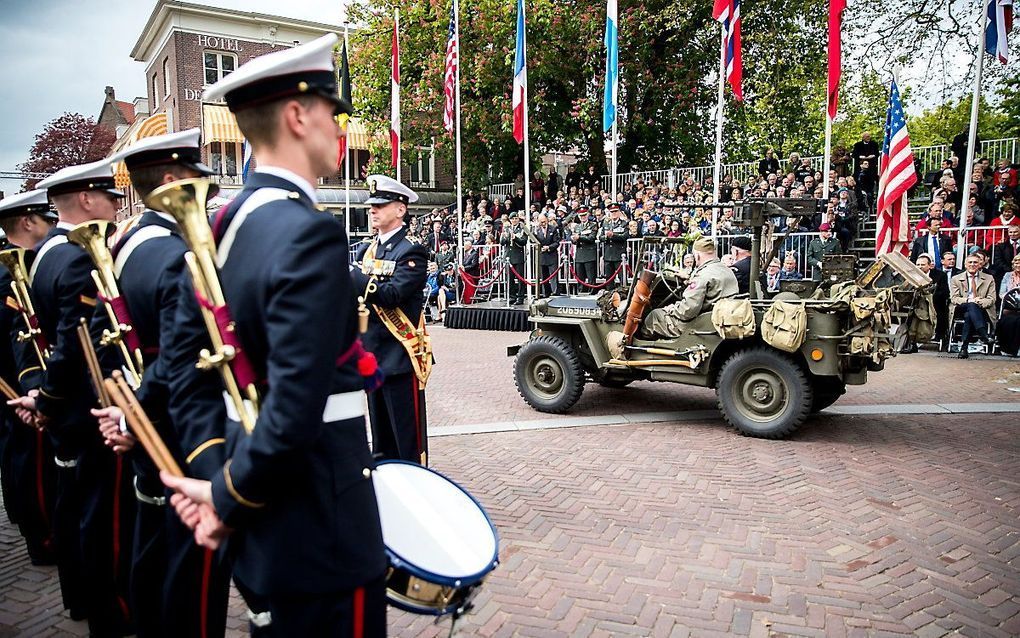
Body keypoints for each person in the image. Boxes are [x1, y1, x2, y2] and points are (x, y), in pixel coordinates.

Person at [159, 34, 388, 635]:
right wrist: (229, 500)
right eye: (333, 115)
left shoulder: (215, 229)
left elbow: (186, 378)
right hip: (322, 525)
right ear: (297, 115)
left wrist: (217, 480)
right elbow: (294, 406)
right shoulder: (309, 233)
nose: (340, 131)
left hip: (263, 522)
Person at [89, 129, 232, 638]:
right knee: (192, 572)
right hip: (181, 432)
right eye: (197, 182)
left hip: (144, 425)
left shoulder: (123, 244)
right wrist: (134, 415)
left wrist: (122, 413)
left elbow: (105, 339)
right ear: (172, 181)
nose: (205, 193)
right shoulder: (177, 255)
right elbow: (177, 361)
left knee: (149, 545)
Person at [10, 160, 133, 635]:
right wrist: (50, 398)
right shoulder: (80, 255)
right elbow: (71, 342)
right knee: (103, 516)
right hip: (85, 410)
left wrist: (45, 399)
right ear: (85, 199)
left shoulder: (46, 253)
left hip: (66, 412)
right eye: (108, 196)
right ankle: (113, 612)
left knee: (75, 504)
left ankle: (80, 598)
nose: (114, 205)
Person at [0, 190, 57, 567]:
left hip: (15, 377)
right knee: (31, 458)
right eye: (45, 220)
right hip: (18, 379)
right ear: (27, 222)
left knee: (19, 455)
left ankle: (30, 523)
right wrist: (31, 386)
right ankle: (42, 537)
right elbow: (20, 334)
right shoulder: (10, 274)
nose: (50, 227)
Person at [643, 237, 739, 338]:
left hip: (698, 324)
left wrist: (671, 309)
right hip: (719, 317)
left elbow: (688, 310)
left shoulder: (702, 275)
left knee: (654, 316)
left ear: (697, 255)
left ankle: (643, 348)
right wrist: (689, 278)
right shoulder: (726, 270)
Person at [949, 253, 997, 358]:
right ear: (965, 265)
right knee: (970, 306)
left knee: (969, 315)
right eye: (970, 262)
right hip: (961, 307)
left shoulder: (989, 278)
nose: (972, 264)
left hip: (982, 309)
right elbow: (954, 298)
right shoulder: (956, 279)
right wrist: (970, 300)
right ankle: (984, 335)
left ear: (980, 264)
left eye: (975, 262)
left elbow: (992, 299)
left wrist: (978, 302)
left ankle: (964, 348)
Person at [915, 254, 951, 350]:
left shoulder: (940, 275)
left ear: (930, 265)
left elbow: (945, 292)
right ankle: (911, 341)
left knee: (941, 310)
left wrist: (929, 297)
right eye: (917, 265)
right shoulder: (913, 275)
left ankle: (941, 338)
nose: (919, 267)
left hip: (935, 303)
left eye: (922, 265)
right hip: (917, 303)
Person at [501, 212, 528, 304]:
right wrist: (505, 237)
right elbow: (502, 242)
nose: (514, 220)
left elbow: (524, 241)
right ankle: (511, 296)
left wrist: (515, 238)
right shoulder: (507, 228)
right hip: (509, 256)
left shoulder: (522, 229)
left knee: (520, 278)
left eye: (516, 218)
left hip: (518, 255)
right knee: (510, 278)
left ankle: (520, 297)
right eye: (512, 219)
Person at [600, 203, 629, 285]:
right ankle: (610, 294)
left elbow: (625, 236)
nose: (614, 213)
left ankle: (624, 293)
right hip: (608, 254)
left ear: (619, 212)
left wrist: (613, 235)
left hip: (619, 254)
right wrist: (606, 237)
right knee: (609, 278)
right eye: (612, 212)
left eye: (616, 211)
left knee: (622, 277)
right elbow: (600, 237)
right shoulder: (606, 224)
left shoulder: (624, 223)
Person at [996, 255, 1020, 356]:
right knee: (1007, 321)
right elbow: (1002, 293)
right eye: (1016, 263)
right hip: (1010, 308)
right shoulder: (1007, 275)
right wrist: (1012, 298)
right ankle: (1007, 349)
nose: (1018, 265)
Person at [571, 207, 598, 290]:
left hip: (589, 253)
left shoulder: (593, 225)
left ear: (588, 215)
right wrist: (574, 239)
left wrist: (579, 237)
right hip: (580, 253)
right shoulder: (577, 227)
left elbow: (591, 238)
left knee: (591, 275)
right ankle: (580, 290)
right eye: (581, 215)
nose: (583, 217)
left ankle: (591, 290)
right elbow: (574, 241)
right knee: (579, 275)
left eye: (584, 215)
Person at [535, 213, 560, 296]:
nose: (543, 223)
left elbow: (557, 242)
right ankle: (545, 293)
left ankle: (555, 292)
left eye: (544, 221)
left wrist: (549, 247)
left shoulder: (553, 229)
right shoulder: (537, 230)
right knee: (544, 276)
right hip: (542, 256)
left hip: (551, 255)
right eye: (541, 222)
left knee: (553, 275)